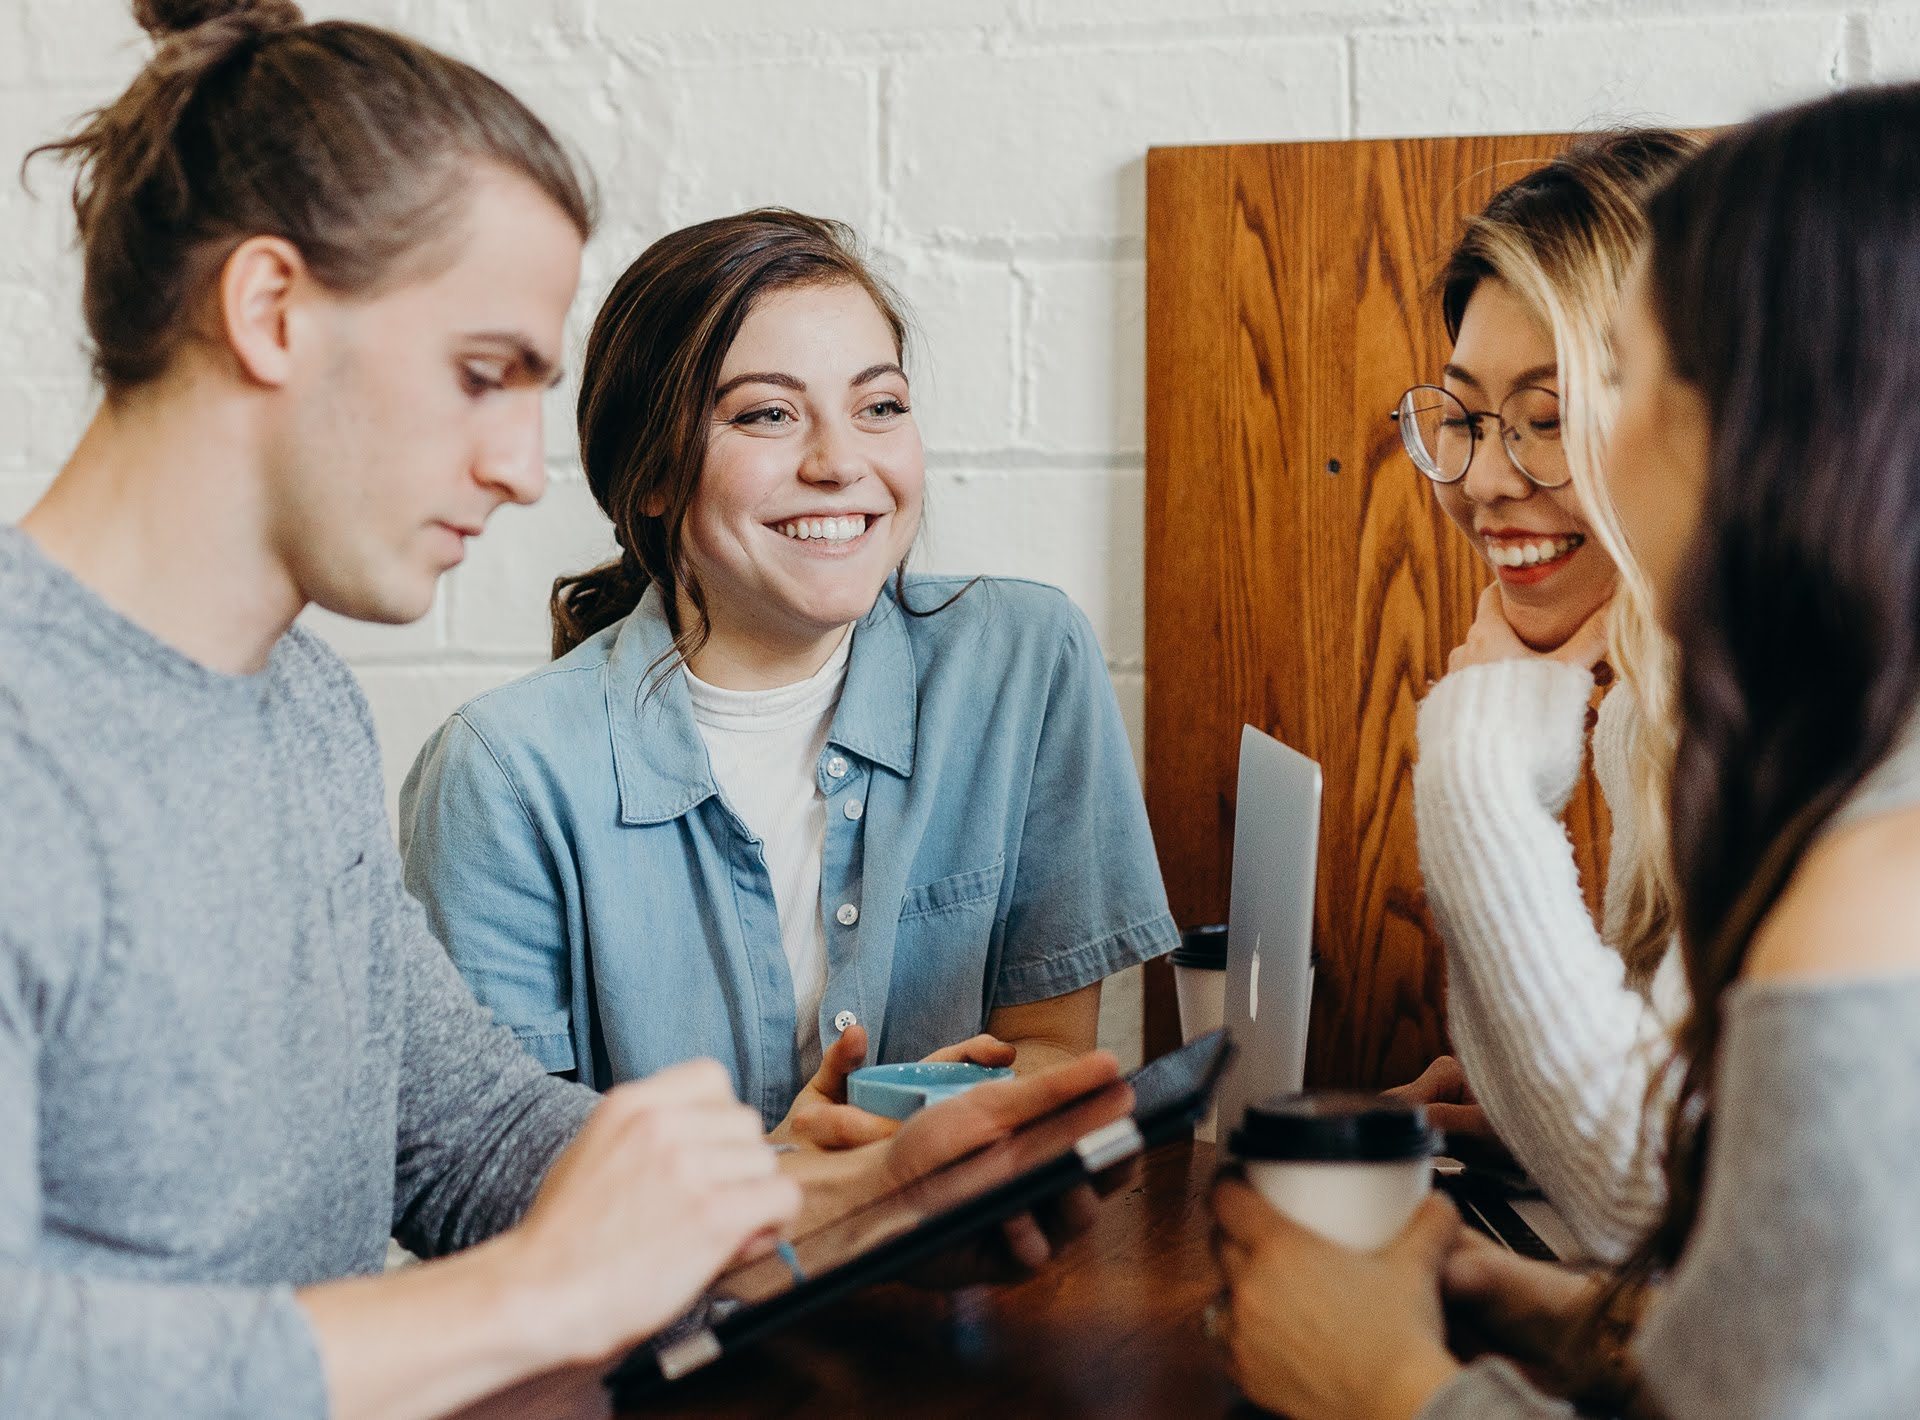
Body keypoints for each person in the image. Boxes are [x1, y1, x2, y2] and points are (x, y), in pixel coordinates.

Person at [0, 6, 1119, 1418]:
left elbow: (471, 1139)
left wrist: (824, 1203)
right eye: (483, 375)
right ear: (271, 310)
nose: (530, 470)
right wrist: (534, 1299)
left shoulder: (299, 712)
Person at [1210, 82, 1920, 1418]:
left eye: (1622, 377)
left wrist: (1391, 1388)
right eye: (1478, 415)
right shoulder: (1819, 764)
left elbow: (1653, 1189)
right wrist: (1557, 1316)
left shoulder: (1878, 870)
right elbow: (1790, 1326)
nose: (1504, 470)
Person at [399, 208, 1178, 1146]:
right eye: (768, 414)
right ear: (648, 474)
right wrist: (794, 1180)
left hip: (958, 1272)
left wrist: (910, 1146)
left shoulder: (1023, 662)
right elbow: (501, 1178)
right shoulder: (502, 774)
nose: (841, 462)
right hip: (671, 1293)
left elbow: (1050, 1050)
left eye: (879, 406)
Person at [1390, 131, 1698, 1261]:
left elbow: (1647, 1200)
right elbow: (1671, 1163)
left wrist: (1475, 764)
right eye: (1465, 416)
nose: (1482, 478)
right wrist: (1528, 1103)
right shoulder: (1653, 709)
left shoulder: (1792, 722)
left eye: (1550, 415)